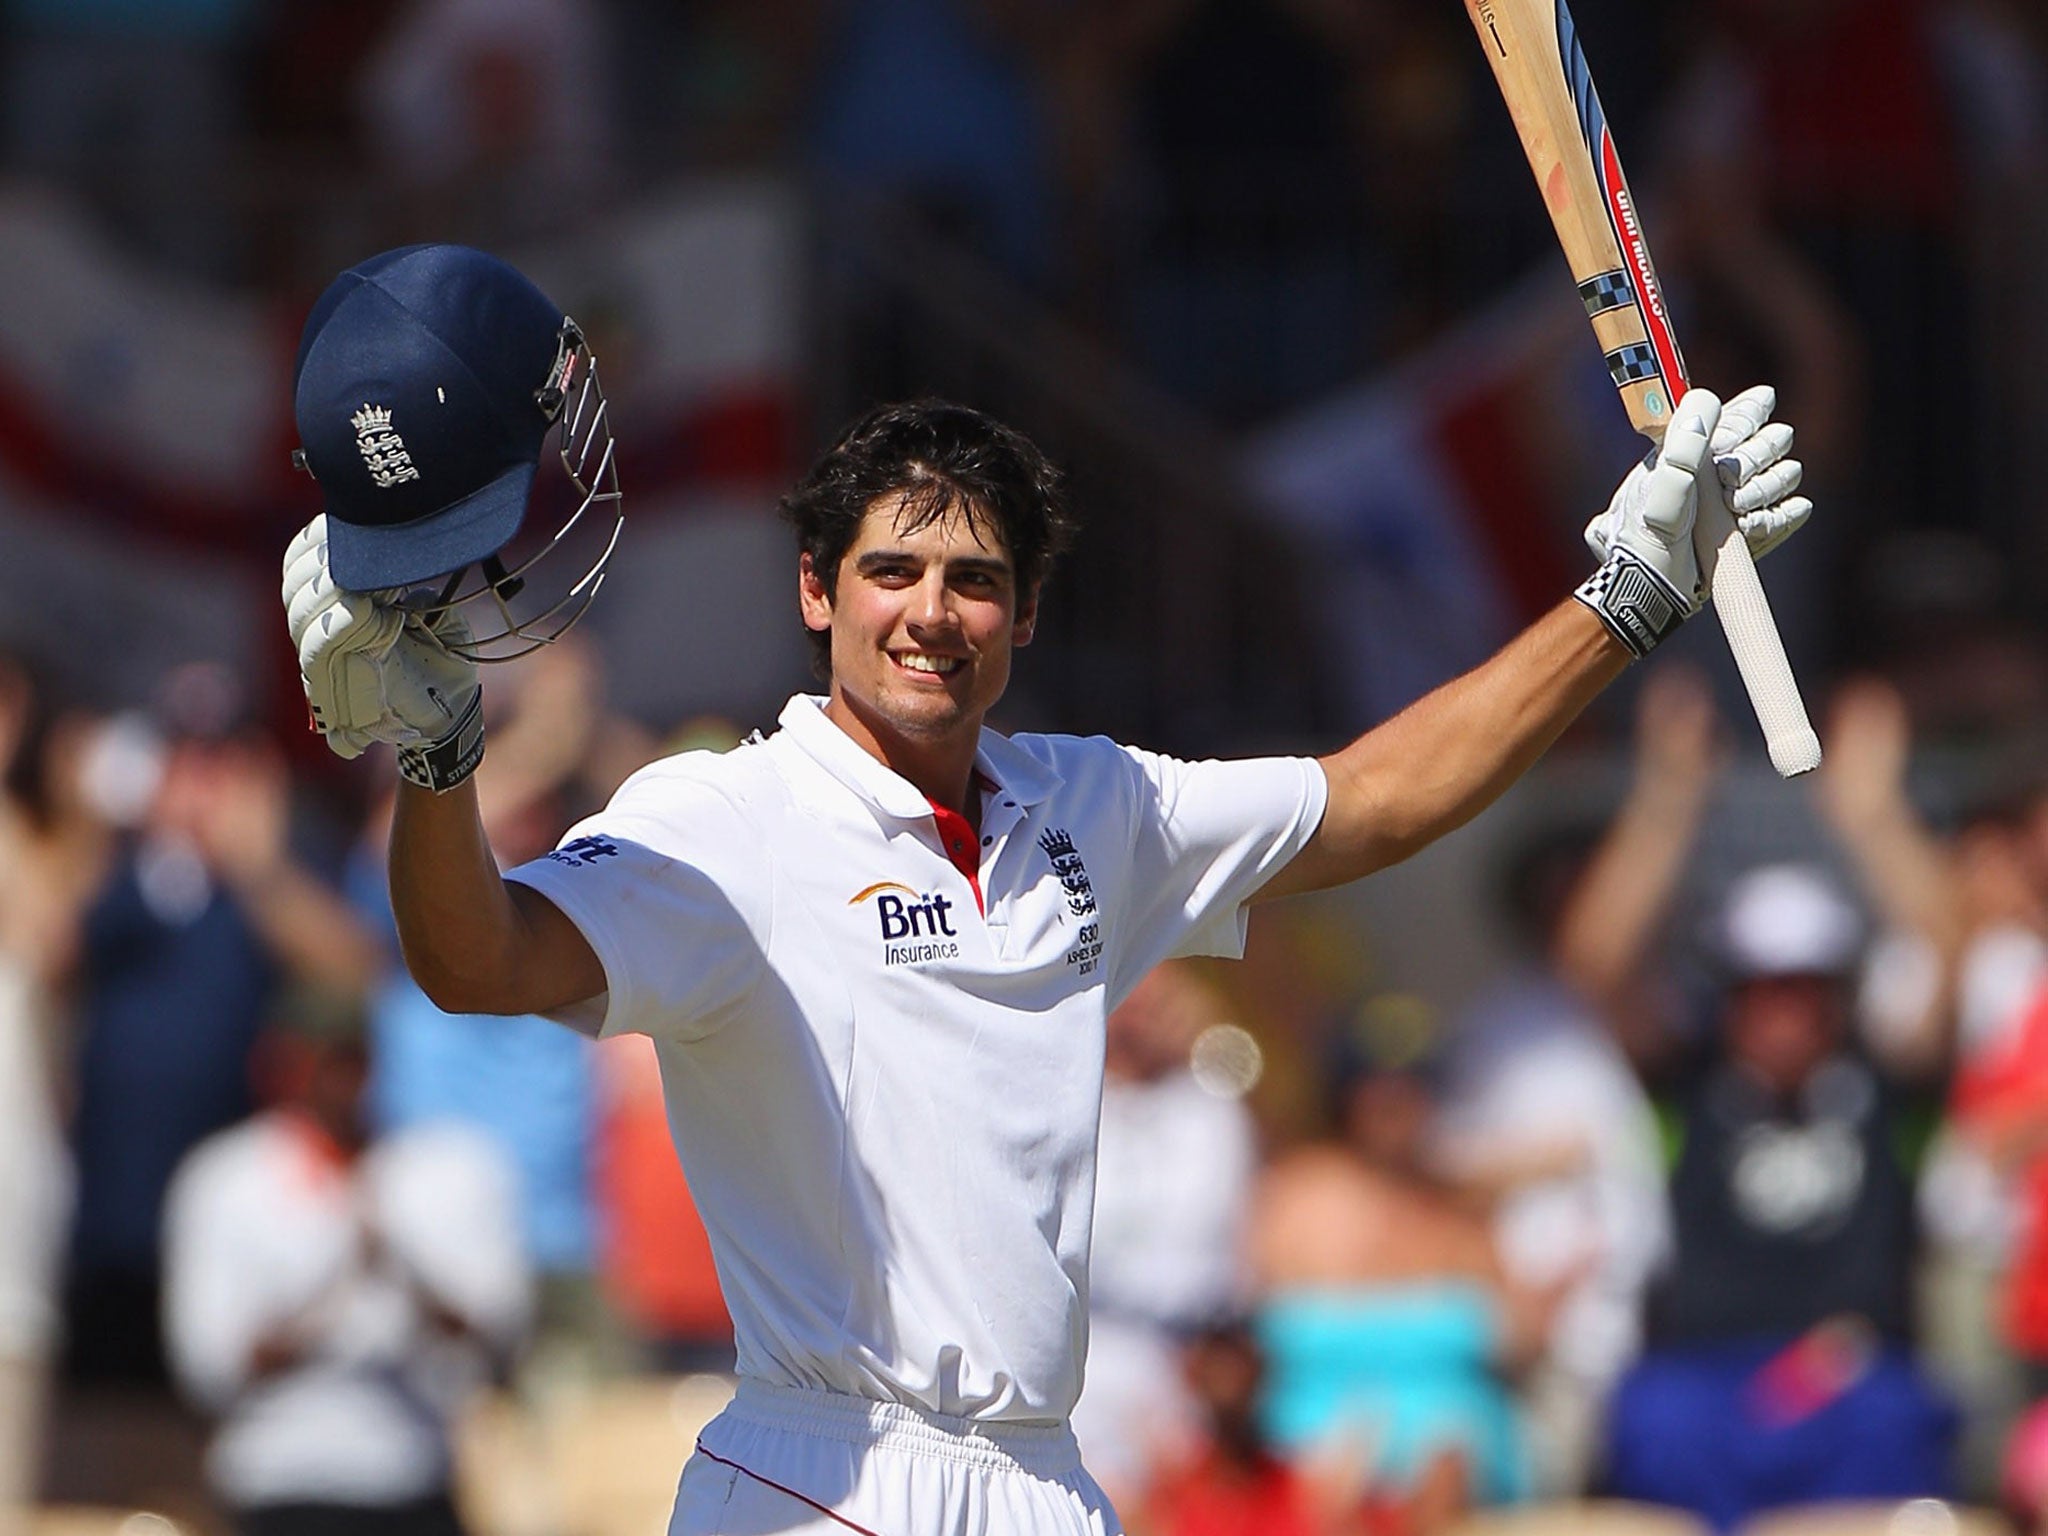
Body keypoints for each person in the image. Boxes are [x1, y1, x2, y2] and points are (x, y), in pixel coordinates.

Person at [275, 241, 1811, 1535]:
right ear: (817, 592)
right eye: (891, 572)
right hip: (815, 1467)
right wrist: (436, 766)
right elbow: (476, 960)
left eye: (975, 581)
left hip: (1043, 1484)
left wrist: (1629, 596)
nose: (930, 614)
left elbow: (1380, 797)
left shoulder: (1099, 804)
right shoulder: (726, 820)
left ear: (1022, 616)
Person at [161, 984, 531, 1536]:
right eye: (319, 1061)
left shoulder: (445, 1167)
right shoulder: (224, 1179)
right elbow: (211, 1366)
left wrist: (397, 1263)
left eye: (351, 1059)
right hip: (280, 1486)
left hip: (415, 1480)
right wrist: (334, 1288)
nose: (340, 1081)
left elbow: (498, 1334)